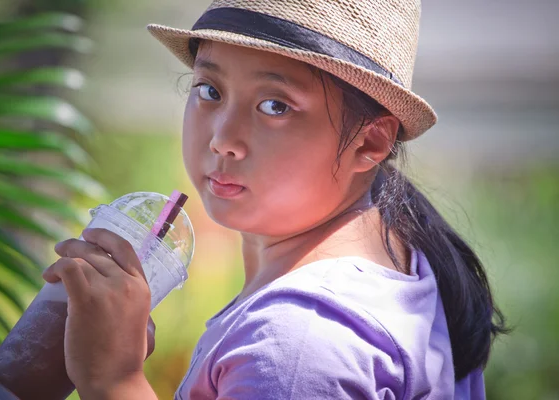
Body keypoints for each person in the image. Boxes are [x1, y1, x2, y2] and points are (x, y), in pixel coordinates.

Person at [42, 0, 508, 398]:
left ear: (370, 143)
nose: (224, 139)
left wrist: (113, 378)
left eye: (275, 105)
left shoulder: (298, 345)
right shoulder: (399, 248)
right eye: (210, 90)